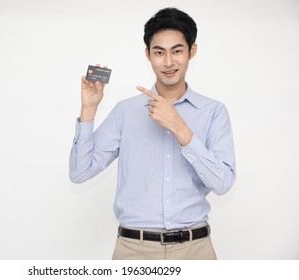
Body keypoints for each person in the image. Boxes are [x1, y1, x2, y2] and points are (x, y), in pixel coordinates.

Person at [69, 7, 236, 260]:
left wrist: (180, 127)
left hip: (195, 249)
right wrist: (88, 110)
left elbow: (223, 183)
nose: (168, 62)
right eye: (159, 52)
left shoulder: (213, 112)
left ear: (192, 51)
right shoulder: (126, 111)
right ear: (148, 55)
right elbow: (80, 173)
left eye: (177, 51)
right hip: (134, 250)